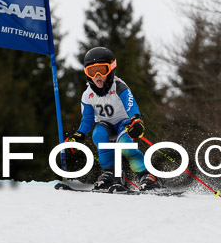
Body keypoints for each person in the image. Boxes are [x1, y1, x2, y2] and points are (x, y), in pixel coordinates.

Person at [65, 47, 160, 191]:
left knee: (126, 145)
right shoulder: (87, 95)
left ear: (111, 69)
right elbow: (87, 119)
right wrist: (79, 135)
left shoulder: (120, 87)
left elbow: (131, 105)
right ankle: (109, 174)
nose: (97, 76)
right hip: (105, 125)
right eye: (92, 71)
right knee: (98, 134)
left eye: (102, 70)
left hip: (124, 123)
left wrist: (136, 120)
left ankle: (147, 176)